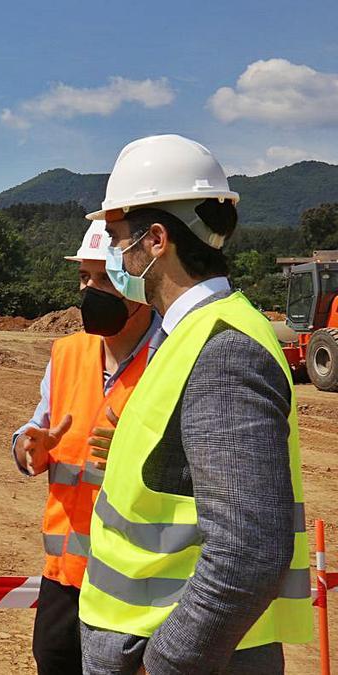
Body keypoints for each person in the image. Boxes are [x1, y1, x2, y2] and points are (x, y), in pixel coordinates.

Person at [77, 134, 313, 674]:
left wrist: (165, 664)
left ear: (156, 239)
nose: (111, 253)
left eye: (116, 238)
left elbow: (249, 554)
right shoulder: (185, 334)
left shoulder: (224, 348)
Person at [12, 220, 157, 674]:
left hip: (139, 582)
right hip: (67, 575)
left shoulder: (172, 355)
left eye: (104, 277)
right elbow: (35, 432)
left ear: (136, 278)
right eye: (84, 278)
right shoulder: (67, 354)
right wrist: (28, 448)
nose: (90, 290)